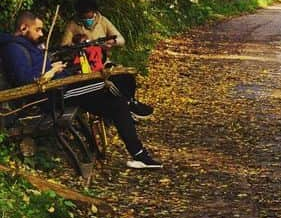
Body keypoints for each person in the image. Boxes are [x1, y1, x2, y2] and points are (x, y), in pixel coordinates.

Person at [0, 11, 162, 169]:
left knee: (117, 102)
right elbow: (24, 79)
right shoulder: (13, 48)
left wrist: (62, 68)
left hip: (62, 86)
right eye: (38, 29)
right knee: (109, 82)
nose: (41, 33)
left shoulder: (28, 46)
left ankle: (140, 155)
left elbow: (39, 67)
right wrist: (52, 71)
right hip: (55, 95)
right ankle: (131, 103)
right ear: (23, 28)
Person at [59, 0, 152, 118]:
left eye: (90, 16)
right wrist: (79, 45)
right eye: (84, 17)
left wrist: (111, 43)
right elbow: (64, 48)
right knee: (111, 83)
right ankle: (124, 107)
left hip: (103, 62)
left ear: (94, 12)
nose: (88, 20)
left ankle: (130, 102)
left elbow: (120, 39)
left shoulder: (102, 21)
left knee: (126, 77)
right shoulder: (73, 25)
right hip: (84, 67)